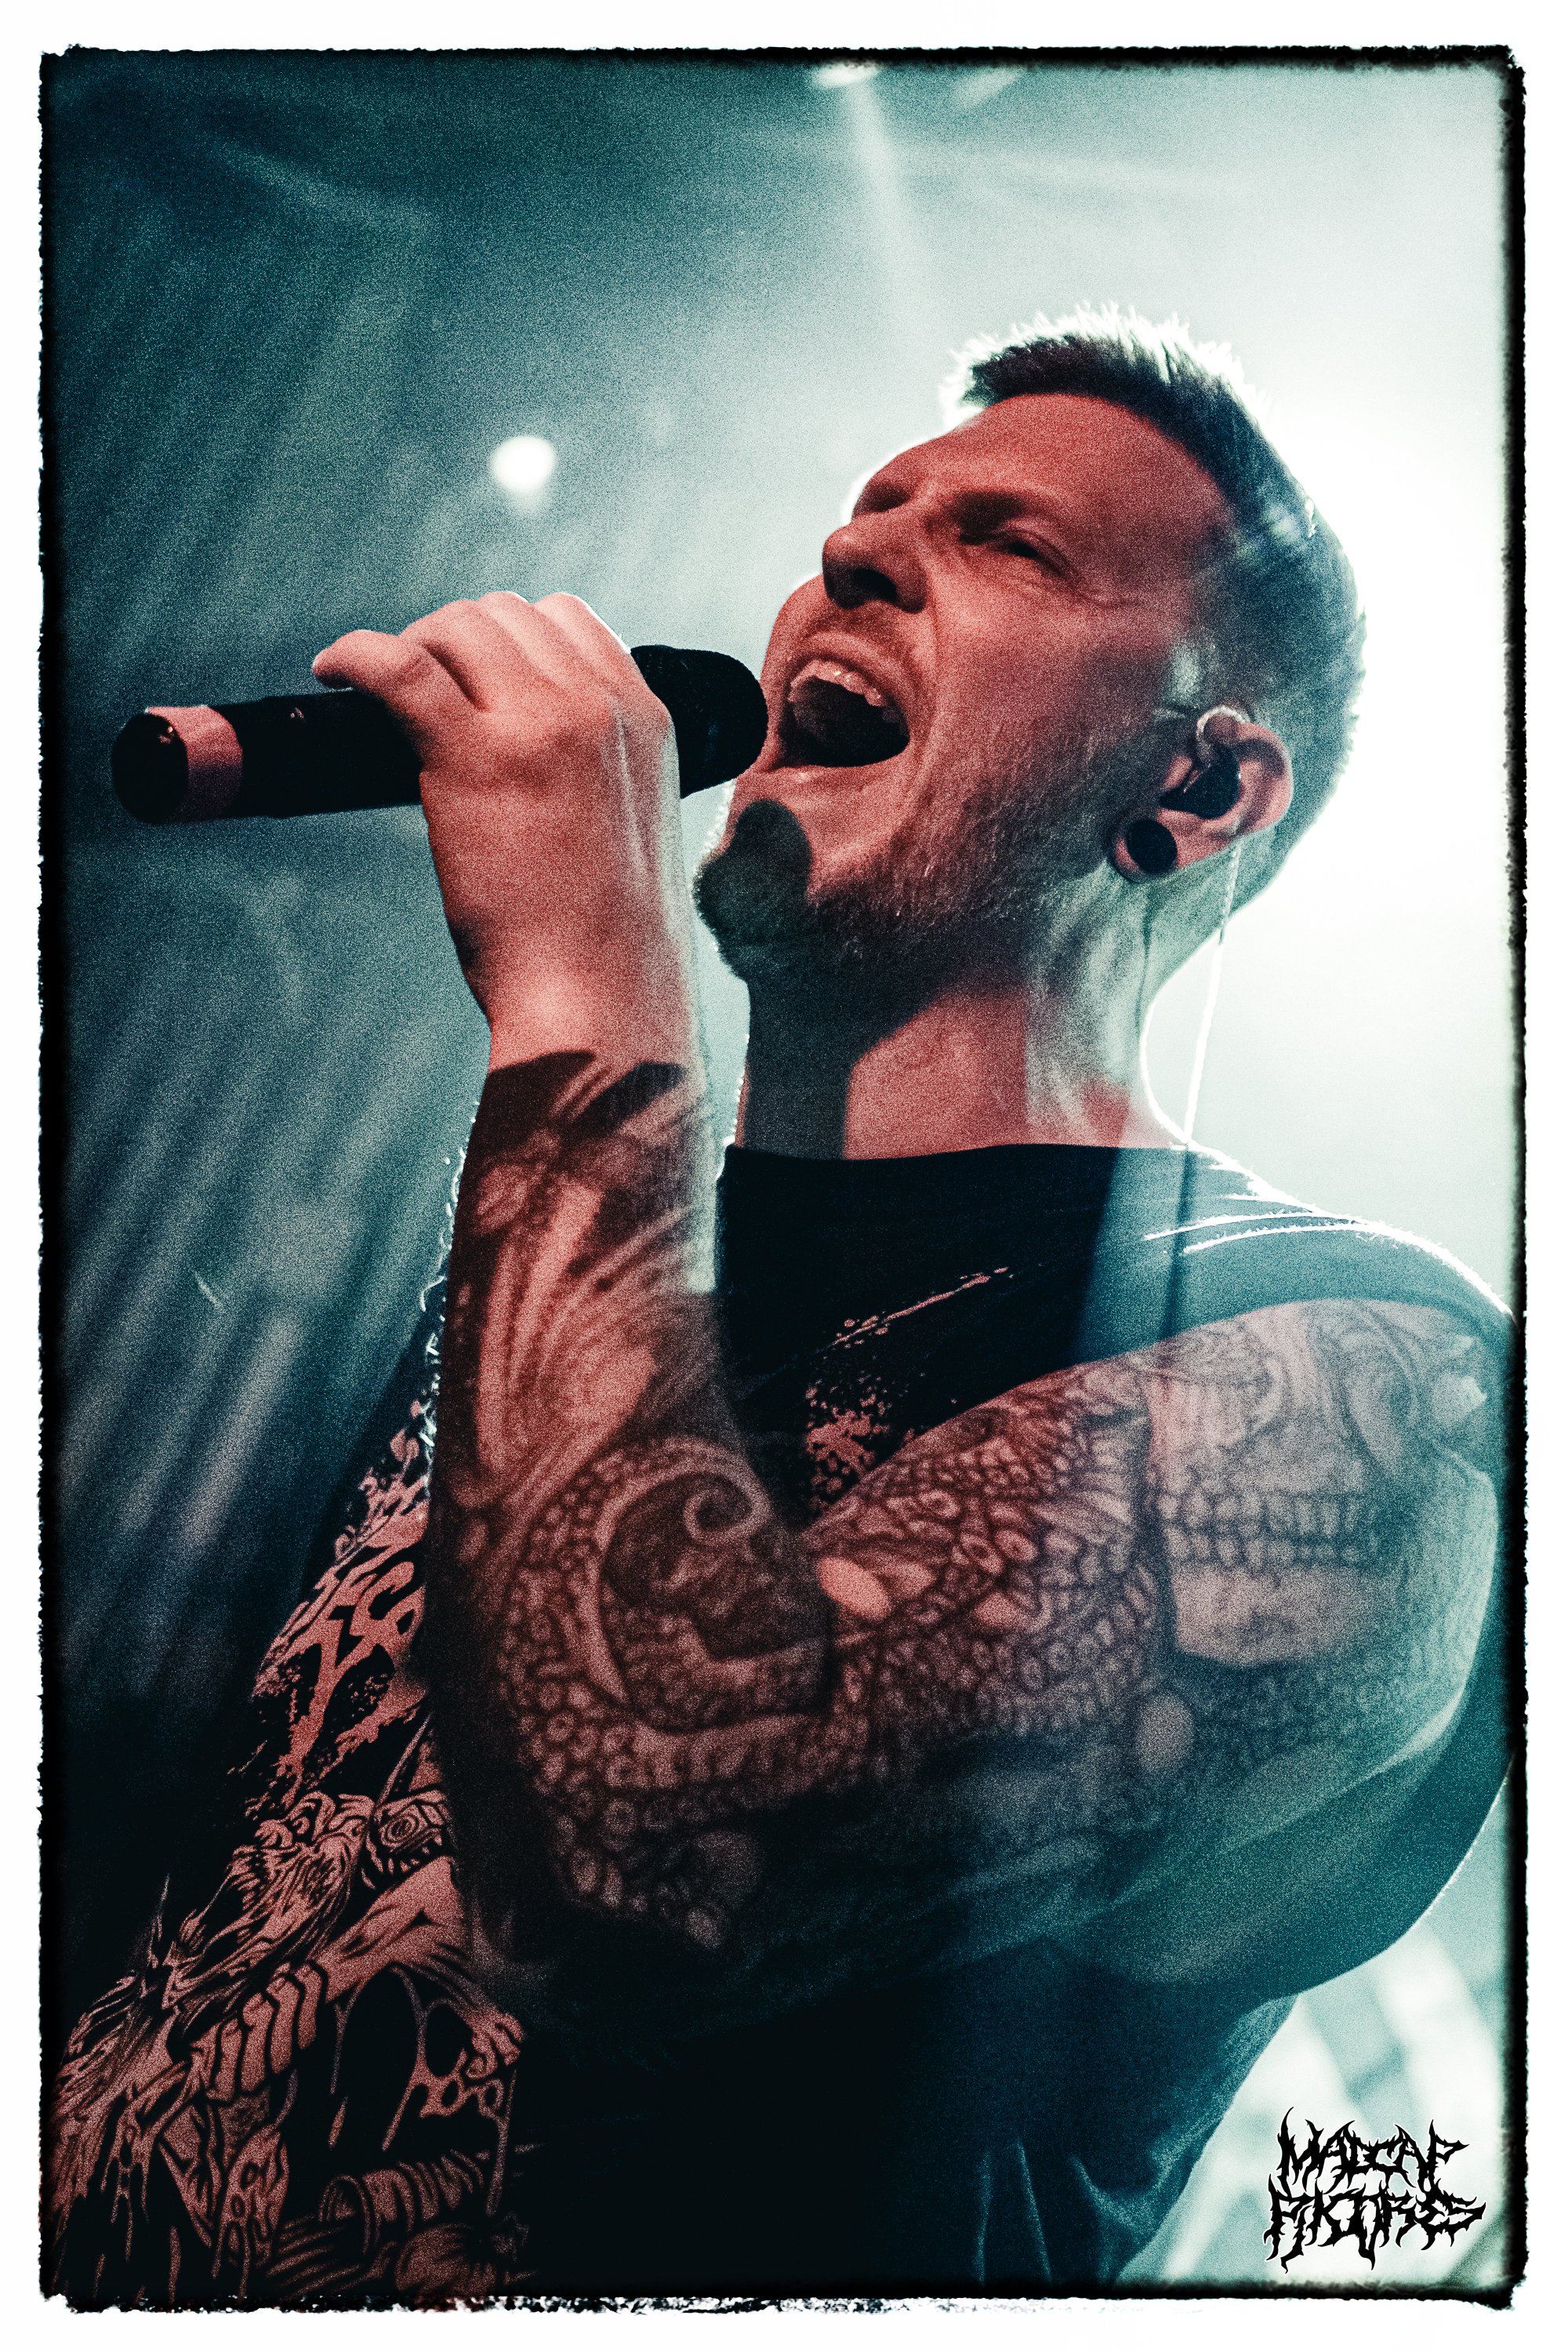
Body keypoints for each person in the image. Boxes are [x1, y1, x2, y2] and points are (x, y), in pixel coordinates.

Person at [46, 310, 1512, 2304]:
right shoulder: (587, 1265)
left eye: (1007, 544)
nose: (853, 556)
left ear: (1195, 782)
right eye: (864, 514)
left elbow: (640, 1881)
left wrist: (588, 981)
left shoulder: (1366, 1375)